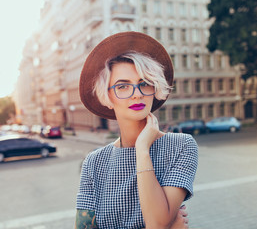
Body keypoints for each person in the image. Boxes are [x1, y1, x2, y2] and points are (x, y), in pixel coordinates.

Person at [76, 31, 198, 229]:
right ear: (107, 97)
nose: (137, 94)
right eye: (123, 86)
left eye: (144, 84)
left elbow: (157, 223)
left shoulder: (181, 146)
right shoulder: (94, 162)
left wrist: (142, 149)